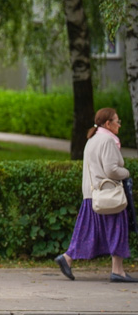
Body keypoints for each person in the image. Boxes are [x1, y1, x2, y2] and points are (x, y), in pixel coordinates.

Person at [56, 108, 135, 283]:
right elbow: (111, 170)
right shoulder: (107, 140)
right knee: (117, 229)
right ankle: (118, 271)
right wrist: (127, 172)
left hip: (92, 194)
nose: (119, 125)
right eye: (117, 121)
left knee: (88, 230)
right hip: (109, 195)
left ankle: (67, 258)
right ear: (108, 123)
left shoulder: (92, 139)